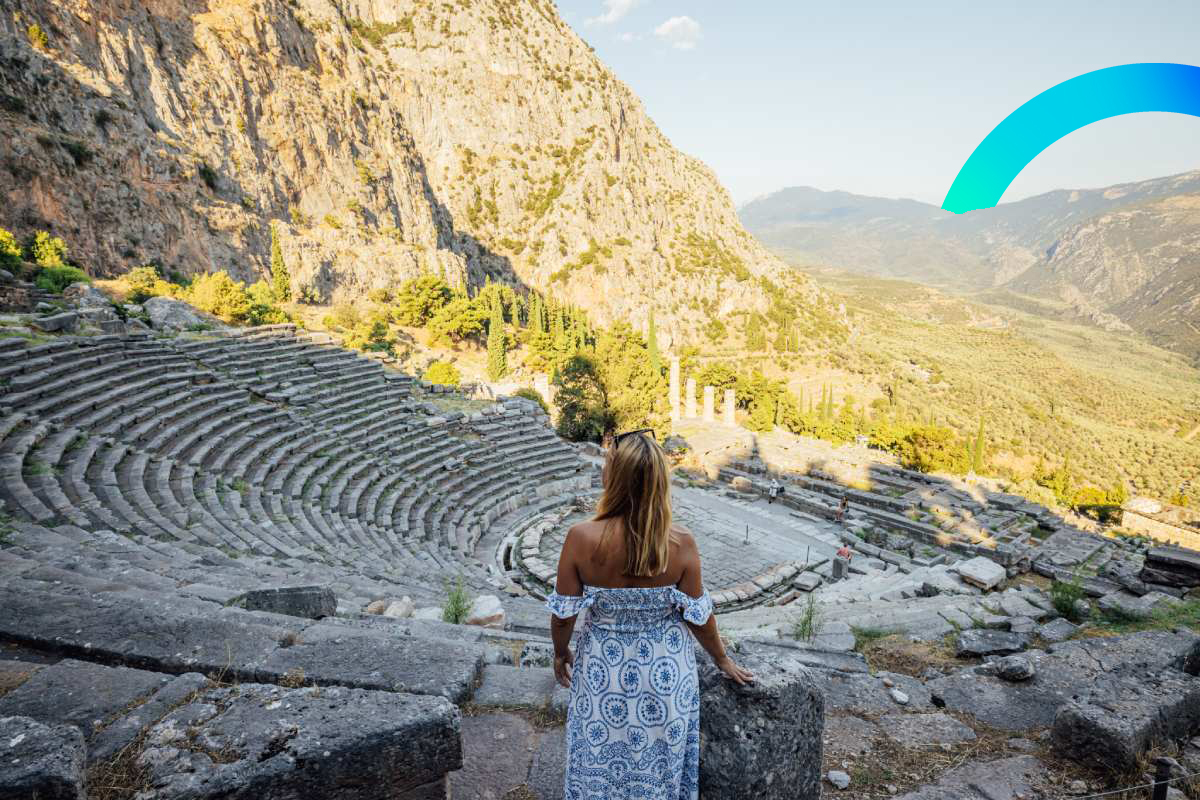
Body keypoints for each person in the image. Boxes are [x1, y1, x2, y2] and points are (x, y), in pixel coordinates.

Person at [547, 429, 754, 800]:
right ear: (660, 481)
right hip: (665, 675)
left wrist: (560, 652)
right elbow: (698, 616)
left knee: (598, 761)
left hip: (601, 672)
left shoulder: (580, 537)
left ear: (614, 478)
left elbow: (564, 615)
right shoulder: (681, 543)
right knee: (660, 766)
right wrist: (721, 659)